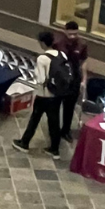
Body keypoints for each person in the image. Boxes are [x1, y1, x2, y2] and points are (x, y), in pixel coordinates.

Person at [14, 31, 77, 159]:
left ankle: (24, 143)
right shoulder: (62, 54)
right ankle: (54, 149)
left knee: (35, 118)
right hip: (58, 94)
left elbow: (41, 80)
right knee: (54, 121)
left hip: (44, 95)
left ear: (42, 43)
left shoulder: (42, 58)